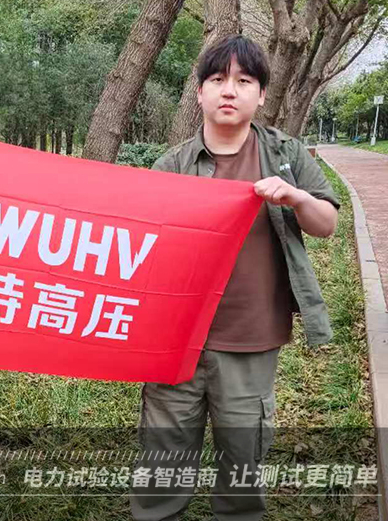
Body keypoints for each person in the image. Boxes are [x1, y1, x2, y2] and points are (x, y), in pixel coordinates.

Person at [130, 36, 339, 521]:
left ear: (261, 94)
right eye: (218, 79)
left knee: (242, 464)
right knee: (163, 463)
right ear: (200, 92)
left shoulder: (285, 155)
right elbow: (142, 246)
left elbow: (326, 224)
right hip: (177, 340)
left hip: (250, 338)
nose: (230, 90)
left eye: (244, 81)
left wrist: (295, 197)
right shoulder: (173, 165)